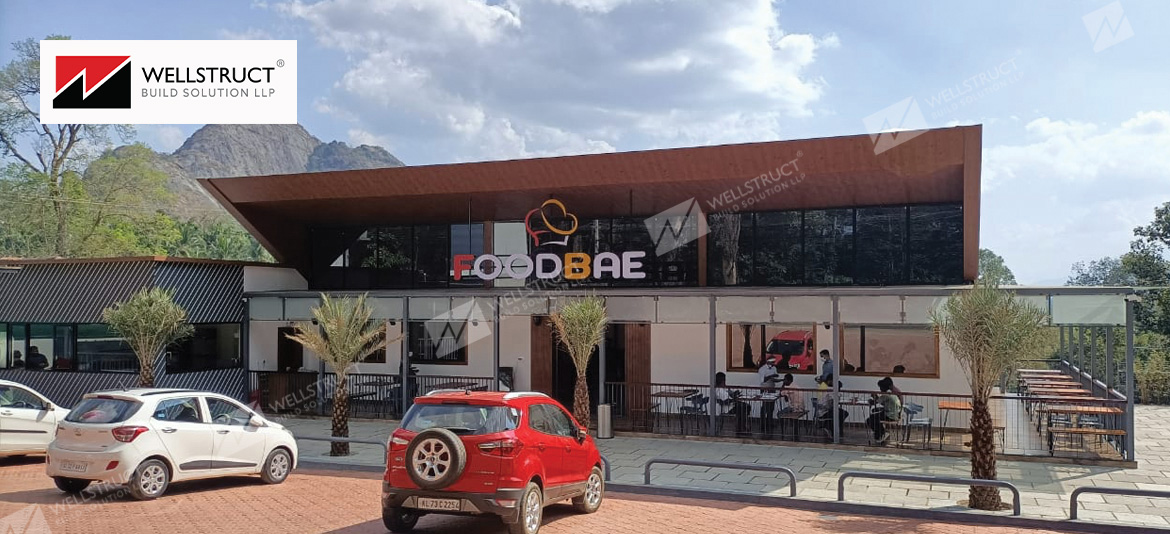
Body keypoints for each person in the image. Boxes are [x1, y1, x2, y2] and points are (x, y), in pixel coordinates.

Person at [867, 377, 903, 444]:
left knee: (870, 419)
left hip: (890, 415)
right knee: (875, 416)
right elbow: (881, 402)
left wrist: (872, 398)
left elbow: (874, 402)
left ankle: (881, 433)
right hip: (894, 413)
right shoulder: (892, 393)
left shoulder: (885, 395)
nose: (880, 389)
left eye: (880, 388)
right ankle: (881, 432)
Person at [758, 356, 780, 435]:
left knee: (771, 407)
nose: (773, 364)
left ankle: (769, 422)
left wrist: (780, 379)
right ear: (768, 362)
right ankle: (762, 423)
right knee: (765, 406)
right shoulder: (762, 369)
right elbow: (762, 380)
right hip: (765, 388)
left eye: (774, 362)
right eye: (772, 362)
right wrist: (771, 376)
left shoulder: (774, 368)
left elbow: (775, 378)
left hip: (772, 388)